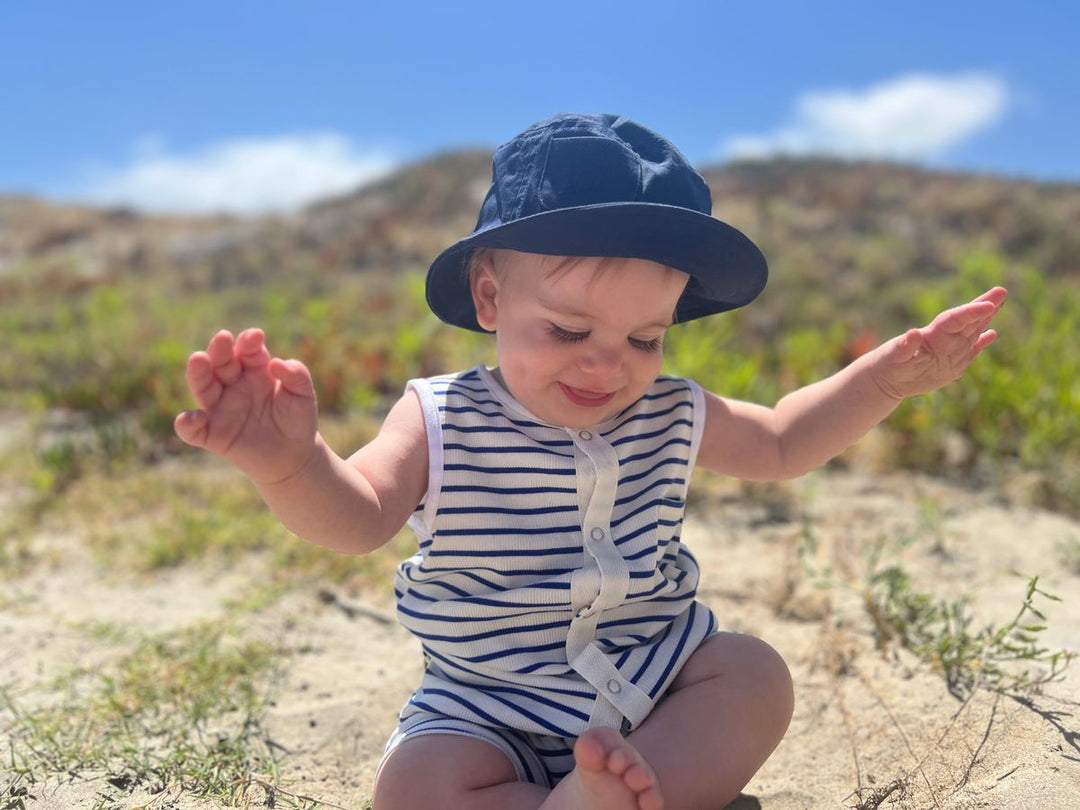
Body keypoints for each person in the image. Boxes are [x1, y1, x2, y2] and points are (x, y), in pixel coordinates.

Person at [175, 113, 1007, 810]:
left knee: (753, 675)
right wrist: (290, 465)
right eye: (569, 330)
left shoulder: (670, 410)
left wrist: (884, 380)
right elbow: (357, 517)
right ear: (491, 296)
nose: (608, 365)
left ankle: (617, 792)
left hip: (653, 687)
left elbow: (786, 440)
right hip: (487, 709)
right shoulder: (441, 416)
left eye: (645, 339)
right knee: (413, 788)